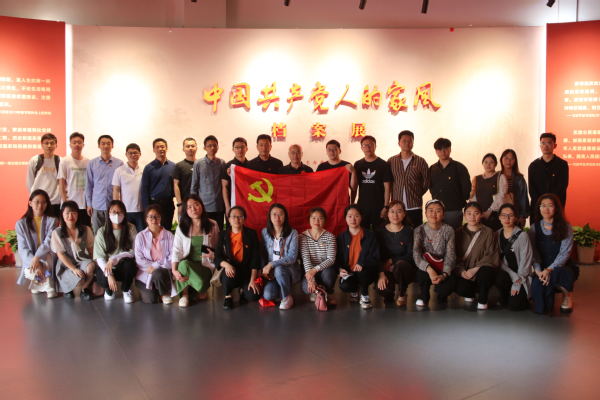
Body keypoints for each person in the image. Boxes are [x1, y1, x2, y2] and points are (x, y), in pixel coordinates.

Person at [529, 193, 577, 314]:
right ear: (539, 208)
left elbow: (565, 253)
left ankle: (567, 295)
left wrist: (549, 270)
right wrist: (539, 271)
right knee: (540, 304)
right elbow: (533, 252)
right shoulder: (534, 228)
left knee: (560, 273)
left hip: (561, 266)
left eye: (550, 205)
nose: (546, 209)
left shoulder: (566, 227)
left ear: (556, 208)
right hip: (541, 266)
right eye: (543, 205)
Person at [171, 195, 220, 308]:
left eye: (196, 205)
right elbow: (176, 250)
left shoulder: (212, 224)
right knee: (183, 265)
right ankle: (185, 295)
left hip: (206, 265)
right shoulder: (182, 227)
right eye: (189, 207)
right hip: (188, 264)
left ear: (201, 206)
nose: (193, 209)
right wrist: (174, 270)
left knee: (202, 293)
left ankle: (197, 288)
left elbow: (218, 247)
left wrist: (214, 255)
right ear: (186, 211)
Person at [453, 202, 500, 310]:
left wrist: (475, 269)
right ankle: (470, 293)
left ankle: (483, 299)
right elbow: (453, 255)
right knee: (460, 288)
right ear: (464, 215)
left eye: (476, 213)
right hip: (464, 270)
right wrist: (461, 271)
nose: (472, 217)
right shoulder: (457, 232)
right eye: (469, 213)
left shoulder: (489, 232)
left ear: (481, 214)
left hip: (480, 270)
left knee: (486, 272)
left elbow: (491, 255)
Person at [214, 206, 262, 310]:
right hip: (231, 271)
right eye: (233, 216)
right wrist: (226, 265)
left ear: (244, 219)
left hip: (246, 271)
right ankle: (228, 296)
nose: (237, 219)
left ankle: (242, 290)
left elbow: (255, 259)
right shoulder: (223, 235)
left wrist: (252, 280)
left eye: (240, 216)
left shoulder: (251, 234)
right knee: (228, 275)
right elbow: (217, 256)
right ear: (229, 219)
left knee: (253, 296)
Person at [15, 189, 58, 298]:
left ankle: (40, 284)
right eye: (37, 202)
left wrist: (37, 258)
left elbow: (48, 242)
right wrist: (34, 261)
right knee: (33, 268)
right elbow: (22, 248)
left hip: (47, 254)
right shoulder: (21, 224)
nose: (40, 205)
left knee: (47, 258)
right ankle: (45, 285)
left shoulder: (52, 221)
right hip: (31, 257)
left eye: (44, 202)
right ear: (30, 203)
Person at [413, 199, 455, 309]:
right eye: (430, 210)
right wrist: (429, 269)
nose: (434, 214)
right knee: (421, 275)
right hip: (426, 266)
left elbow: (450, 255)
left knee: (445, 288)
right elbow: (416, 254)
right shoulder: (419, 230)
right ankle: (424, 296)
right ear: (425, 213)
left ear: (443, 214)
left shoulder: (448, 230)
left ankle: (442, 295)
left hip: (442, 266)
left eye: (438, 211)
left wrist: (444, 274)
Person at [93, 200, 138, 303]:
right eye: (113, 212)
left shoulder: (131, 228)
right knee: (101, 276)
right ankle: (109, 290)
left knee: (130, 265)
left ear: (124, 213)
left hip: (123, 265)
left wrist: (115, 258)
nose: (116, 215)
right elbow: (100, 258)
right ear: (108, 213)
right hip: (107, 267)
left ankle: (126, 289)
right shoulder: (102, 231)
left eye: (119, 212)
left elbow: (134, 252)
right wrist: (109, 275)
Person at [336, 205, 380, 310]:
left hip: (366, 271)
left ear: (361, 217)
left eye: (356, 216)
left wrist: (362, 263)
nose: (353, 219)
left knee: (362, 272)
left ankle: (365, 295)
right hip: (349, 272)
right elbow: (336, 257)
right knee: (345, 286)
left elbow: (375, 256)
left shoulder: (370, 235)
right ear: (345, 218)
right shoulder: (341, 237)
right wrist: (339, 269)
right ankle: (354, 290)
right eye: (350, 216)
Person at [52, 201, 96, 300]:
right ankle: (68, 289)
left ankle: (85, 289)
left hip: (82, 259)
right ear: (62, 215)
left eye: (74, 213)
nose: (70, 216)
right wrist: (74, 269)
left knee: (91, 266)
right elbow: (61, 255)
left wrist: (95, 263)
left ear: (78, 214)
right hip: (65, 264)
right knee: (79, 278)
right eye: (67, 213)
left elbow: (91, 249)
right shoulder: (57, 232)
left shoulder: (86, 229)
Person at [375, 201, 416, 307]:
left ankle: (402, 293)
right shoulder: (379, 232)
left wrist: (392, 260)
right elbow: (376, 255)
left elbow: (411, 255)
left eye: (399, 211)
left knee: (400, 265)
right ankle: (390, 291)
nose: (395, 215)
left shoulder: (409, 231)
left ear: (404, 214)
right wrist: (381, 274)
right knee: (384, 291)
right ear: (387, 214)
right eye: (392, 211)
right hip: (385, 269)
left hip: (404, 268)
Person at [261, 203, 301, 310]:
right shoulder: (264, 232)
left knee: (279, 268)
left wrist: (272, 264)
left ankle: (286, 297)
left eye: (280, 214)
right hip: (271, 273)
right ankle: (284, 289)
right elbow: (263, 254)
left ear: (285, 216)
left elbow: (292, 257)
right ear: (269, 216)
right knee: (268, 295)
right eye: (274, 214)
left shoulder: (293, 233)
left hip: (290, 271)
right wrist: (264, 269)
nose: (277, 217)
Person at [494, 203, 533, 311]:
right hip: (508, 274)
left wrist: (517, 282)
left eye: (510, 215)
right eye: (503, 215)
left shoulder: (522, 235)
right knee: (499, 277)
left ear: (515, 217)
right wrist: (513, 275)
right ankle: (504, 295)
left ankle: (519, 295)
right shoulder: (496, 234)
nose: (507, 218)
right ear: (499, 217)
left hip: (521, 276)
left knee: (515, 306)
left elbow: (526, 261)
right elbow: (497, 259)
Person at [134, 204, 176, 305]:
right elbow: (139, 259)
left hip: (163, 272)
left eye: (157, 216)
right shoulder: (140, 236)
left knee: (158, 273)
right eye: (150, 216)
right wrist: (152, 268)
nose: (154, 219)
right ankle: (157, 289)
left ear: (160, 218)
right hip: (145, 273)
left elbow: (173, 256)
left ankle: (164, 293)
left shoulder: (169, 235)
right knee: (151, 300)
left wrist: (157, 266)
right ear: (146, 219)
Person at [388, 130, 430, 227]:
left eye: (410, 141)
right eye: (404, 141)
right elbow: (388, 182)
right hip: (396, 208)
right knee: (398, 231)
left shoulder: (420, 161)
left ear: (413, 143)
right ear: (399, 143)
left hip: (414, 206)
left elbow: (426, 182)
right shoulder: (391, 161)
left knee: (416, 231)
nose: (407, 143)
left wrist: (416, 193)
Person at [429, 138, 471, 229]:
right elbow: (431, 187)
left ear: (450, 149)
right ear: (436, 151)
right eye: (440, 149)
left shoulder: (459, 167)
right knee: (437, 235)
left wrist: (459, 202)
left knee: (454, 234)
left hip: (454, 210)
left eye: (445, 149)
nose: (443, 152)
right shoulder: (432, 169)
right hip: (437, 210)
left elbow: (467, 188)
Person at [299, 207, 337, 306]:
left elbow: (331, 259)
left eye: (320, 218)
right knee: (306, 288)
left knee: (329, 275)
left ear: (325, 220)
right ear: (309, 219)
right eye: (313, 218)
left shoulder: (330, 237)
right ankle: (319, 293)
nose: (317, 221)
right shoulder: (302, 237)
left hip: (325, 270)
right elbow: (306, 258)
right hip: (309, 271)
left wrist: (315, 269)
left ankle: (325, 292)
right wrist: (311, 280)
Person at [353, 135, 393, 229]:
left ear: (375, 146)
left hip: (379, 206)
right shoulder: (358, 164)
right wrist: (352, 203)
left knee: (379, 232)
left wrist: (386, 207)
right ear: (361, 147)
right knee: (363, 232)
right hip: (362, 206)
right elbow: (354, 186)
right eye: (365, 145)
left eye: (370, 145)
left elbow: (388, 188)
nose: (368, 148)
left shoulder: (383, 164)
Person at [86, 135, 124, 233]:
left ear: (112, 146)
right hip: (97, 205)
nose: (106, 146)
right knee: (97, 233)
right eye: (103, 143)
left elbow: (122, 186)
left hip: (113, 206)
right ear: (99, 146)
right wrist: (89, 204)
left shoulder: (119, 163)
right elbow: (89, 185)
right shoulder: (92, 163)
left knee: (113, 233)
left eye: (108, 143)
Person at [528, 132, 569, 220]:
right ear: (540, 146)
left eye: (549, 143)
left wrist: (550, 204)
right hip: (538, 207)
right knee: (537, 227)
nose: (545, 146)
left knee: (556, 227)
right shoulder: (533, 165)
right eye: (543, 143)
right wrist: (542, 204)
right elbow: (532, 189)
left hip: (556, 207)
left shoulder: (562, 164)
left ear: (555, 145)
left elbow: (562, 186)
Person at [190, 135, 226, 228]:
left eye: (214, 145)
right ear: (204, 148)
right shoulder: (198, 163)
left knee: (219, 230)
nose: (212, 148)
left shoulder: (222, 163)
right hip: (204, 206)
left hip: (219, 205)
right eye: (209, 146)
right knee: (205, 231)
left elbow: (225, 184)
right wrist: (194, 204)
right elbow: (194, 186)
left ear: (217, 147)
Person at [141, 138, 176, 230]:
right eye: (157, 147)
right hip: (154, 204)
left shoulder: (173, 166)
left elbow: (176, 185)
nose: (161, 149)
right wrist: (146, 208)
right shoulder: (148, 168)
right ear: (153, 149)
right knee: (154, 230)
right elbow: (144, 190)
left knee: (167, 229)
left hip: (168, 203)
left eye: (162, 146)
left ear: (166, 148)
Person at [58, 132, 90, 226]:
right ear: (70, 145)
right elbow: (61, 184)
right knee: (69, 230)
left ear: (83, 145)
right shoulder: (64, 161)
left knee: (84, 229)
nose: (77, 144)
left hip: (84, 204)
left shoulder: (88, 162)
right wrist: (65, 202)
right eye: (74, 142)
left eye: (79, 142)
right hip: (70, 203)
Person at [469, 153, 507, 230]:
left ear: (495, 164)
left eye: (491, 162)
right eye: (486, 162)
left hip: (494, 214)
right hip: (479, 215)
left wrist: (489, 211)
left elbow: (501, 197)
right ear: (482, 163)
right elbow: (473, 198)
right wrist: (476, 212)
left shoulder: (500, 177)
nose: (488, 165)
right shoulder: (476, 178)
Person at [112, 143, 144, 232]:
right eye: (130, 153)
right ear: (126, 154)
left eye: (135, 153)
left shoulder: (144, 169)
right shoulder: (119, 171)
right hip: (125, 210)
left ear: (140, 154)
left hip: (141, 210)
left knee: (141, 234)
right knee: (126, 234)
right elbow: (116, 190)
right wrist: (116, 207)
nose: (133, 155)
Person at [27, 133, 61, 216]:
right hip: (38, 203)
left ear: (56, 145)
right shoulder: (34, 160)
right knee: (38, 223)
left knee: (54, 224)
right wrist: (34, 199)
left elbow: (63, 182)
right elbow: (30, 182)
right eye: (46, 143)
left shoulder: (60, 161)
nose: (49, 146)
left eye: (52, 143)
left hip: (55, 202)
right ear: (42, 145)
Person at [499, 149, 529, 227]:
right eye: (506, 158)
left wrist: (523, 216)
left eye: (511, 158)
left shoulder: (519, 178)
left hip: (516, 214)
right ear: (501, 159)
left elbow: (523, 197)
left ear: (515, 161)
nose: (508, 161)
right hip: (499, 214)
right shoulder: (497, 176)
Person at [221, 137, 249, 217]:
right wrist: (227, 206)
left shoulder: (251, 165)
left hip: (248, 203)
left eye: (242, 147)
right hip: (233, 202)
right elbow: (224, 187)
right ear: (233, 149)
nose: (240, 150)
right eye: (237, 147)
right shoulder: (228, 166)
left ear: (246, 149)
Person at [173, 137, 198, 217]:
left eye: (192, 146)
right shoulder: (179, 166)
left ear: (196, 148)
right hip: (185, 204)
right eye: (187, 146)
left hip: (199, 203)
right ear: (183, 149)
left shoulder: (200, 164)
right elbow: (176, 185)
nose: (190, 148)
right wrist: (179, 204)